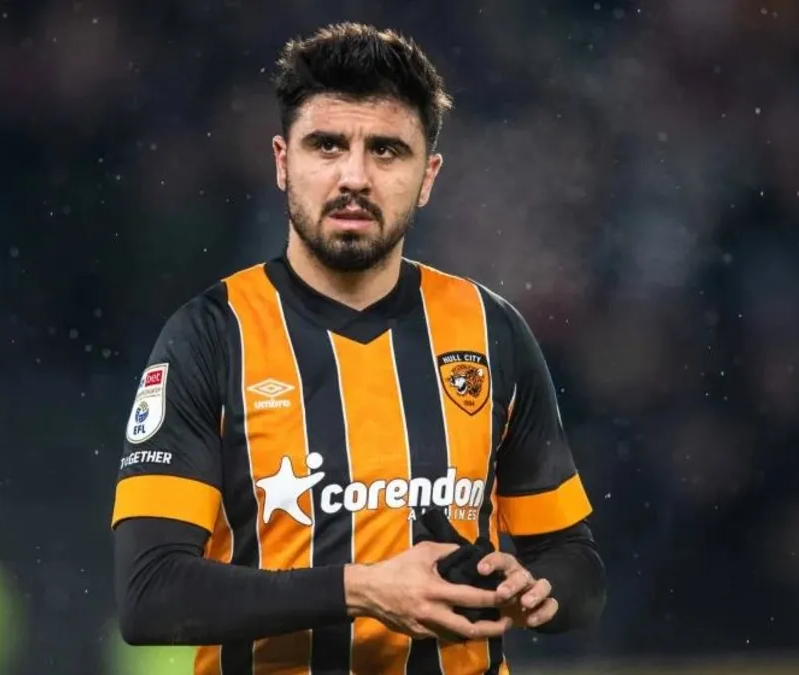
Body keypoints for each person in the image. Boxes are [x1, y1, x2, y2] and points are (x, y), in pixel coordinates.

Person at [112, 22, 606, 675]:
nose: (355, 176)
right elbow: (149, 595)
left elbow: (575, 562)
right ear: (282, 162)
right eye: (327, 145)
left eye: (386, 151)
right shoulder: (210, 336)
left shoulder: (492, 330)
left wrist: (536, 590)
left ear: (428, 177)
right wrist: (361, 589)